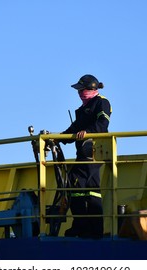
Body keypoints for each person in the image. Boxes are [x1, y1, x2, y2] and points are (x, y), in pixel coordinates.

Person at [59, 74, 112, 239]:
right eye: (79, 90)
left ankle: (90, 229)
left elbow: (103, 124)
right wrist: (59, 138)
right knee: (81, 187)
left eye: (82, 90)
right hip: (84, 154)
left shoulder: (101, 102)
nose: (80, 93)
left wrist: (88, 132)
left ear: (92, 89)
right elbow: (75, 127)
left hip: (94, 152)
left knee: (80, 183)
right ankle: (83, 227)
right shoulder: (83, 109)